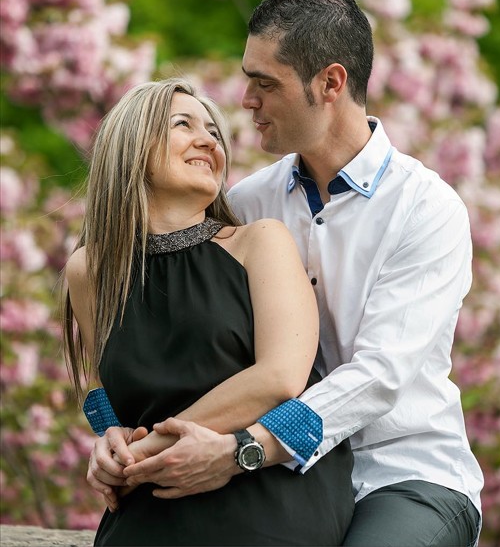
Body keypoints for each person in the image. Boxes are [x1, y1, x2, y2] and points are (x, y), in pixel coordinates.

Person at [86, 0, 484, 547]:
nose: (245, 101)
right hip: (271, 480)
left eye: (264, 83)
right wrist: (112, 434)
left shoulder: (426, 208)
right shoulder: (246, 204)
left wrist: (244, 448)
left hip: (402, 474)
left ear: (330, 83)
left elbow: (380, 376)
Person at [62, 78, 354, 545]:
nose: (208, 141)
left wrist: (148, 449)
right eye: (184, 124)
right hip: (152, 495)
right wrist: (109, 442)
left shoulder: (260, 242)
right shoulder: (90, 270)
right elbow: (109, 393)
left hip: (262, 489)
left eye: (214, 133)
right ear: (132, 145)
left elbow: (280, 377)